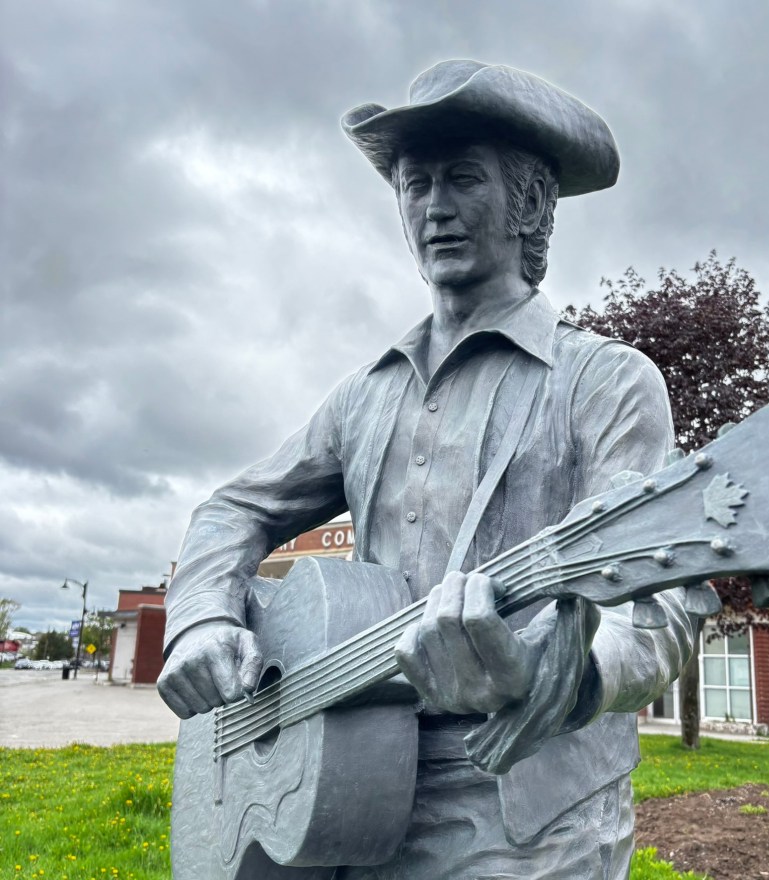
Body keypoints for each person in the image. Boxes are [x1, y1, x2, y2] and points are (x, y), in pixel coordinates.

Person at [158, 60, 694, 879]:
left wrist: (561, 669)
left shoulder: (608, 383)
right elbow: (232, 510)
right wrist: (201, 619)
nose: (434, 207)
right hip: (346, 789)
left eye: (463, 179)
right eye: (416, 185)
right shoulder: (361, 397)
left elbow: (658, 610)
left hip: (531, 821)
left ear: (532, 205)